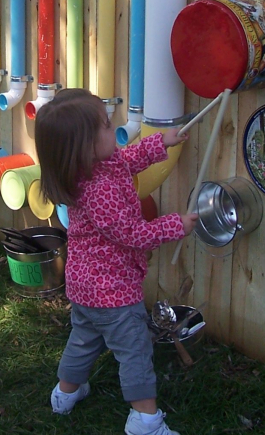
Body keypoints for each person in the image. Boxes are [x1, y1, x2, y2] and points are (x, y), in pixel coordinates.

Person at [34, 89, 198, 435]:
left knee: (84, 339)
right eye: (107, 126)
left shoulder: (94, 167)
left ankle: (65, 394)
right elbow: (132, 234)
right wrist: (176, 226)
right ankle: (145, 420)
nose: (115, 128)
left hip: (85, 288)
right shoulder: (99, 190)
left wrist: (162, 143)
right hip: (113, 292)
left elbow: (127, 159)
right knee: (134, 350)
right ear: (86, 147)